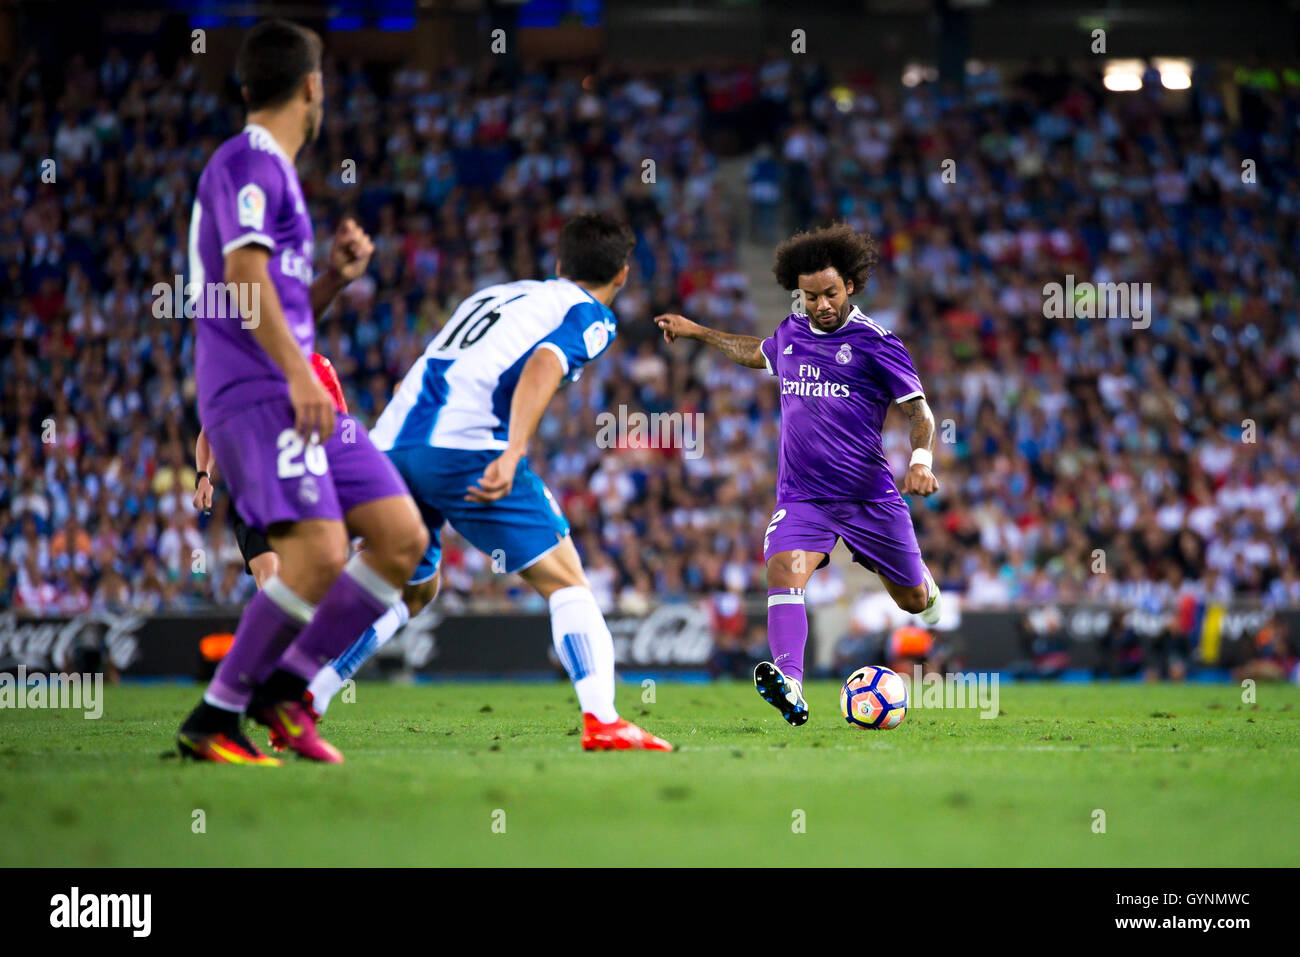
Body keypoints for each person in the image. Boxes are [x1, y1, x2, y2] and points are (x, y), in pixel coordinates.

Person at [310, 212, 672, 751]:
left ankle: (307, 697)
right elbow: (545, 364)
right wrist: (514, 451)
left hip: (388, 444)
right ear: (622, 274)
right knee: (567, 579)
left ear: (556, 263)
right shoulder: (590, 312)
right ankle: (603, 719)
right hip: (466, 448)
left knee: (411, 587)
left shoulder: (495, 294)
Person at [176, 19, 428, 765]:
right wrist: (295, 373)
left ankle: (285, 690)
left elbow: (274, 303)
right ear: (312, 87)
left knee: (401, 538)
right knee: (317, 552)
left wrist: (334, 281)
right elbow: (246, 287)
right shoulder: (250, 162)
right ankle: (216, 715)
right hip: (255, 390)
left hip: (285, 383)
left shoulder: (272, 173)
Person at [654, 223, 942, 726]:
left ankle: (919, 580)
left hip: (869, 496)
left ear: (850, 284)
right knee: (783, 568)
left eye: (830, 293)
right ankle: (791, 683)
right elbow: (755, 351)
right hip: (803, 496)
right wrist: (698, 331)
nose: (821, 305)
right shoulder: (791, 334)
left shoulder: (879, 344)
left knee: (913, 600)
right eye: (810, 296)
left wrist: (921, 462)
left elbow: (919, 412)